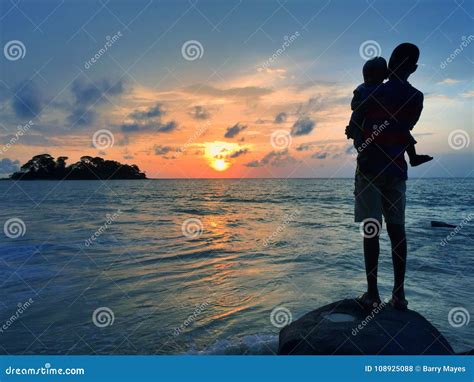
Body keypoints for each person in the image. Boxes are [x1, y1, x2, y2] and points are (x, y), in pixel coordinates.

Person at [352, 43, 428, 311]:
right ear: (414, 68)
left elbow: (358, 115)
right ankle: (399, 295)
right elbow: (405, 128)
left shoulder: (374, 90)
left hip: (370, 168)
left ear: (390, 64)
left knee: (371, 231)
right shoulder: (416, 98)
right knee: (398, 231)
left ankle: (372, 294)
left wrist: (356, 131)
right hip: (396, 170)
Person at [346, 57, 433, 167]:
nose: (369, 79)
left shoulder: (385, 88)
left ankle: (413, 157)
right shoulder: (362, 88)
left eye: (374, 75)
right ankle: (363, 150)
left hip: (380, 124)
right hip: (359, 117)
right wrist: (369, 103)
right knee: (357, 128)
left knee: (405, 133)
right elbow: (354, 106)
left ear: (385, 75)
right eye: (366, 76)